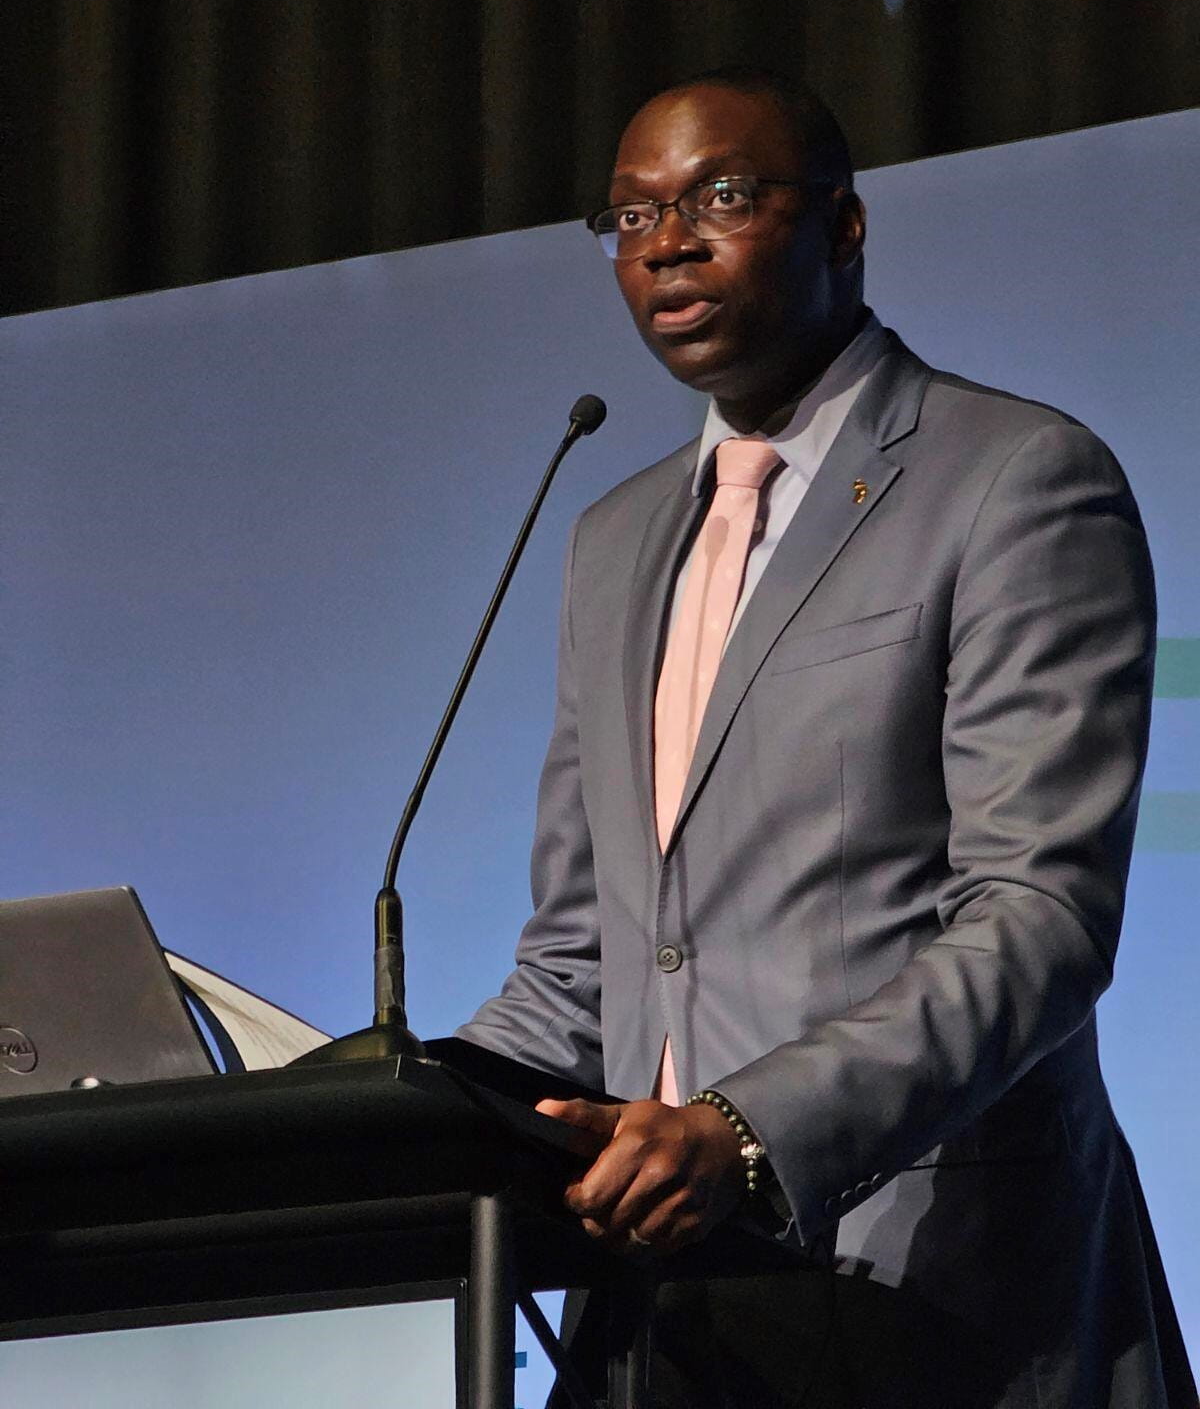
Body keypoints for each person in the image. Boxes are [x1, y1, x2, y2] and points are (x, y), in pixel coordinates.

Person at [457, 69, 1194, 1406]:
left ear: (844, 226)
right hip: (665, 1317)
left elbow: (1039, 917)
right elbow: (582, 959)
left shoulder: (1015, 479)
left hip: (938, 1296)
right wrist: (384, 1110)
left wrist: (745, 1135)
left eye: (719, 198)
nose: (667, 242)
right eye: (630, 218)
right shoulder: (613, 538)